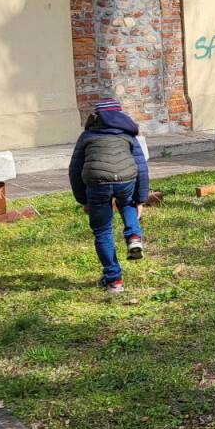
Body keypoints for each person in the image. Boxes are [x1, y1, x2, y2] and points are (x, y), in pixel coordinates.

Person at [69, 98, 150, 293]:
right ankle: (133, 236)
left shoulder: (87, 136)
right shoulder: (129, 136)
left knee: (102, 231)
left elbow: (75, 169)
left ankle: (114, 281)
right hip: (126, 178)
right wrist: (141, 199)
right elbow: (141, 168)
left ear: (96, 118)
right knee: (127, 204)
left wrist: (84, 200)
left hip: (97, 182)